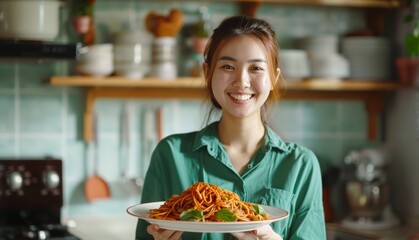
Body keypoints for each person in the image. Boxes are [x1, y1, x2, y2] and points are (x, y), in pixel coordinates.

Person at [135, 15, 326, 240]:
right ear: (207, 73)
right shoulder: (170, 154)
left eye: (256, 68)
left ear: (273, 78)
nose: (242, 81)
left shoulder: (301, 165)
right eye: (228, 66)